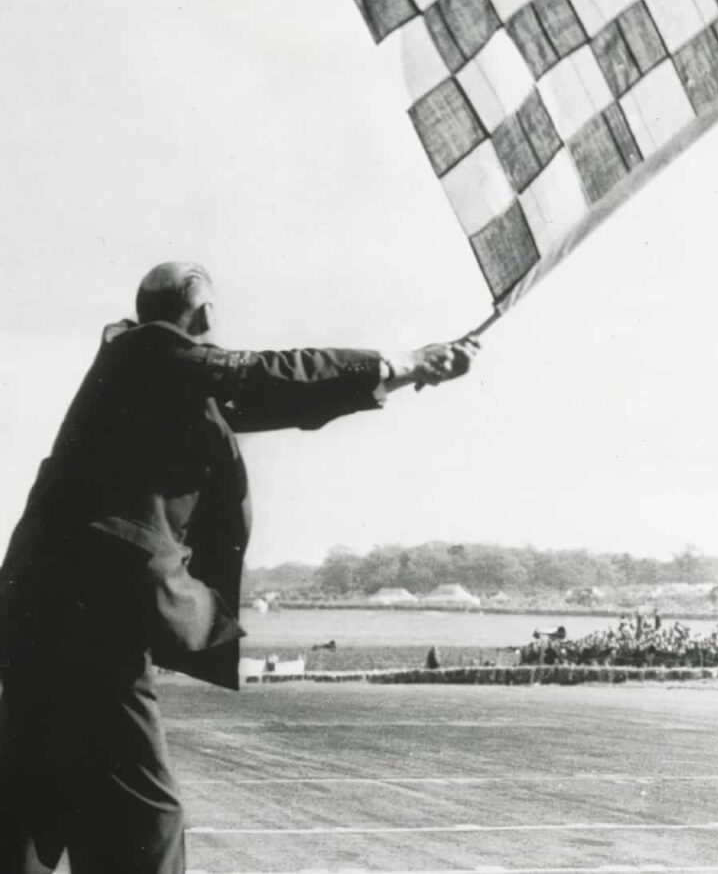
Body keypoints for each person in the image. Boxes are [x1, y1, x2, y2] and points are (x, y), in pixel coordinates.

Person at [0, 262, 478, 873]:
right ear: (204, 314)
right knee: (142, 818)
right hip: (93, 610)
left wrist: (406, 373)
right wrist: (402, 361)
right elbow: (262, 376)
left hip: (41, 603)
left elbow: (273, 395)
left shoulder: (144, 370)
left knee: (38, 792)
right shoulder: (151, 351)